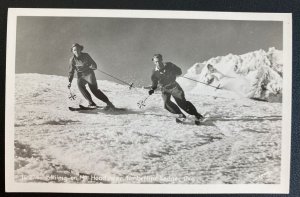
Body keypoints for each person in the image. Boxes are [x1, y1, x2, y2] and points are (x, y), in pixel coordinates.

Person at [148, 54, 204, 125]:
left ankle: (197, 115)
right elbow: (154, 83)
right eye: (156, 62)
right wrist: (152, 89)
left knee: (181, 102)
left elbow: (179, 71)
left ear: (162, 60)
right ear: (154, 62)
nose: (158, 63)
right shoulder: (154, 72)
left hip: (174, 86)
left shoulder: (169, 65)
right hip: (164, 88)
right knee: (166, 103)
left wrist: (174, 72)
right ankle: (181, 115)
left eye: (159, 61)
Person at [68, 43, 115, 110]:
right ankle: (91, 103)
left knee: (94, 90)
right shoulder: (72, 60)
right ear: (72, 51)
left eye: (78, 49)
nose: (77, 51)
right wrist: (70, 81)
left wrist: (93, 66)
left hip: (89, 74)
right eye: (75, 50)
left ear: (80, 49)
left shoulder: (86, 55)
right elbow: (71, 71)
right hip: (81, 75)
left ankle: (109, 103)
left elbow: (94, 64)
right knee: (80, 85)